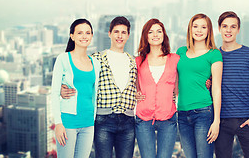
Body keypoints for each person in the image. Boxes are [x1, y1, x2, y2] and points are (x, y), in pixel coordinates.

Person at [61, 16, 137, 158]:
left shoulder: (134, 61)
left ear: (128, 35)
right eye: (116, 32)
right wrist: (62, 88)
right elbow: (81, 79)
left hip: (128, 122)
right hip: (103, 120)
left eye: (123, 32)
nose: (119, 36)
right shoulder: (96, 59)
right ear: (109, 33)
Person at [214, 11, 249, 158]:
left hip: (247, 120)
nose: (228, 30)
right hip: (222, 122)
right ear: (219, 28)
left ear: (238, 30)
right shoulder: (214, 56)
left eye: (233, 26)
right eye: (225, 26)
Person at [51, 18, 101, 158]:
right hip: (68, 122)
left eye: (88, 33)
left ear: (92, 36)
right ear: (72, 36)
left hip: (88, 123)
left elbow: (93, 93)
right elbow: (54, 94)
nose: (84, 36)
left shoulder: (96, 63)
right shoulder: (63, 59)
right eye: (80, 33)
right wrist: (58, 124)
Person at [176, 13, 223, 158]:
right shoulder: (181, 52)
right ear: (190, 29)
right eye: (195, 26)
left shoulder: (214, 54)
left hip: (203, 113)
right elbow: (173, 81)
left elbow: (216, 88)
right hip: (182, 114)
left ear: (209, 30)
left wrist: (216, 121)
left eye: (204, 27)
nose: (199, 30)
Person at [135, 18, 180, 158]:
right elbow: (133, 85)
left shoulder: (175, 59)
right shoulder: (138, 61)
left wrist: (208, 81)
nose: (155, 35)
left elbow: (186, 80)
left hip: (168, 117)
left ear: (164, 35)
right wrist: (135, 94)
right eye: (151, 32)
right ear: (145, 36)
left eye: (159, 31)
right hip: (143, 118)